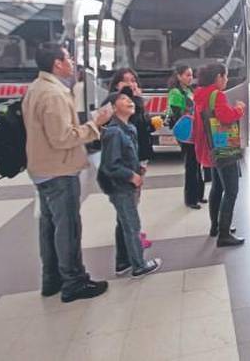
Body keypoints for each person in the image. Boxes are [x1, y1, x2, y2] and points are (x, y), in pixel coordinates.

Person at [23, 42, 112, 303]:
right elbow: (63, 137)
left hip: (42, 168)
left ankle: (52, 278)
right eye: (68, 58)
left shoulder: (36, 88)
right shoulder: (54, 94)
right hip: (59, 170)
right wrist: (95, 123)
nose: (72, 62)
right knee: (68, 228)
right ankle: (74, 282)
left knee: (50, 226)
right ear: (57, 64)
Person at [98, 91, 162, 278]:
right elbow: (110, 165)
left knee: (124, 222)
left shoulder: (129, 128)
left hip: (129, 184)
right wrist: (131, 175)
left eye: (129, 99)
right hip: (120, 186)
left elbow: (129, 155)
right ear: (113, 107)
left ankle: (123, 262)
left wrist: (138, 169)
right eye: (123, 100)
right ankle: (139, 266)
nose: (129, 101)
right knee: (132, 225)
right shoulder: (114, 132)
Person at [192, 63, 246, 247]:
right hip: (223, 145)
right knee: (231, 190)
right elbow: (225, 117)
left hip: (210, 146)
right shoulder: (217, 94)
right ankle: (224, 234)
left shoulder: (200, 94)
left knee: (217, 187)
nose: (227, 80)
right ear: (218, 77)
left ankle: (216, 226)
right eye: (225, 76)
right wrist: (239, 109)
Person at [105, 68, 156, 249]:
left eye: (133, 80)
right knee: (129, 204)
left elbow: (140, 127)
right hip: (127, 162)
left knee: (134, 200)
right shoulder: (118, 105)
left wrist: (151, 123)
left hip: (140, 157)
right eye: (126, 81)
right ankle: (130, 241)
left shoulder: (134, 103)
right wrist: (136, 102)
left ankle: (134, 232)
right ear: (116, 85)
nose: (131, 84)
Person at [167, 65, 205, 209]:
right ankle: (190, 199)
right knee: (191, 165)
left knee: (197, 163)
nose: (190, 78)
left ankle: (199, 195)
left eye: (191, 75)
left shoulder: (189, 90)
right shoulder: (175, 92)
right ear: (179, 76)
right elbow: (177, 114)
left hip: (194, 131)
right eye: (187, 75)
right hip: (186, 133)